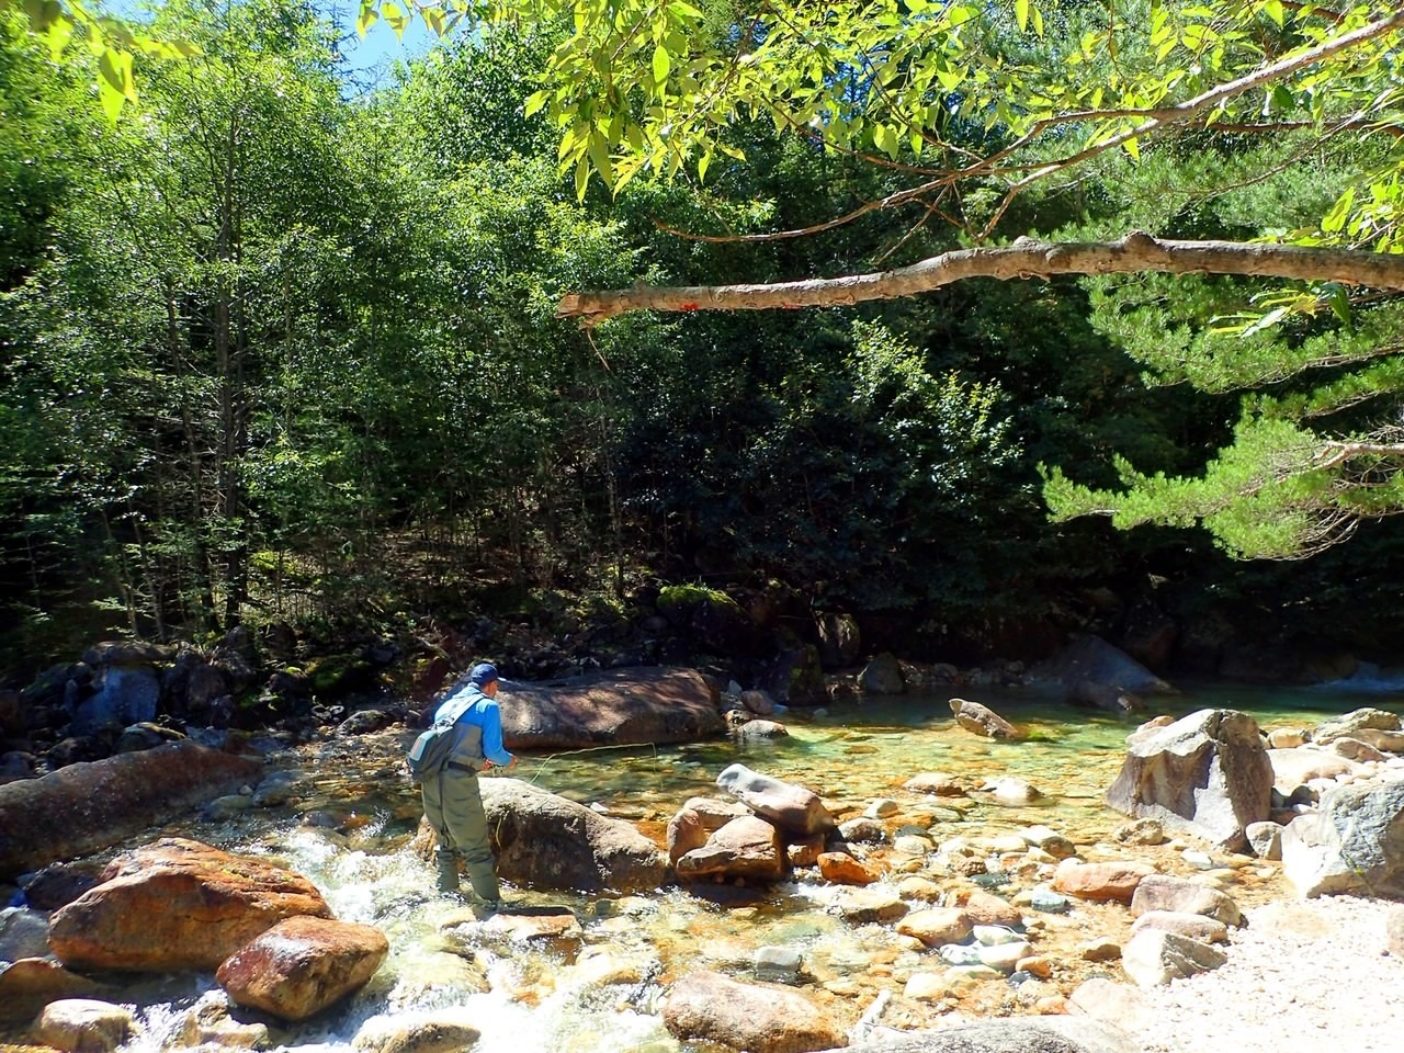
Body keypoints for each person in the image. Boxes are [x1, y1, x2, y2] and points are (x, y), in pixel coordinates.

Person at [420, 661, 514, 905]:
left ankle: (446, 900)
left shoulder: (447, 706)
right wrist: (508, 761)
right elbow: (494, 752)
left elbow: (449, 747)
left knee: (445, 843)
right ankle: (492, 906)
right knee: (476, 849)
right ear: (492, 685)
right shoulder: (487, 706)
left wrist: (474, 761)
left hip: (430, 780)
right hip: (457, 783)